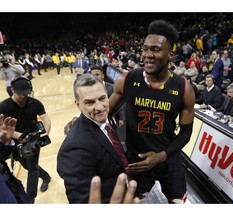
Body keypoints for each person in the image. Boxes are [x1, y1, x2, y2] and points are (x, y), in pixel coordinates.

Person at [108, 20, 195, 204]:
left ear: (170, 53)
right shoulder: (127, 79)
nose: (148, 55)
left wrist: (162, 155)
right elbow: (106, 113)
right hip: (137, 161)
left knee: (179, 203)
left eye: (155, 50)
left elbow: (186, 133)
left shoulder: (184, 88)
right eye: (145, 49)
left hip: (168, 159)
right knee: (129, 204)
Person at [57, 74, 129, 203]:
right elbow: (82, 201)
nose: (99, 107)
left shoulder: (106, 116)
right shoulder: (74, 148)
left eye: (102, 98)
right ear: (78, 104)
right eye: (89, 102)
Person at [0, 77, 52, 203]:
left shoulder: (35, 103)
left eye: (26, 93)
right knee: (26, 165)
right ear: (12, 90)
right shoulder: (3, 106)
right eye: (20, 94)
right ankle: (46, 176)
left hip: (32, 141)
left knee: (32, 167)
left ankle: (30, 199)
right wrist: (20, 136)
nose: (23, 97)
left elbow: (46, 119)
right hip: (13, 142)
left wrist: (46, 133)